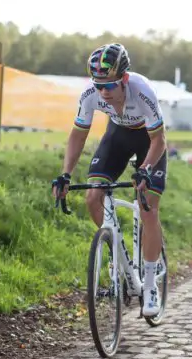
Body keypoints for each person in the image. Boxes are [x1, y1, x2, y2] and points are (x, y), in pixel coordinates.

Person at [51, 43, 167, 317]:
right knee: (93, 195)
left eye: (110, 86)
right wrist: (66, 173)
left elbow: (159, 140)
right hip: (118, 135)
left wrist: (146, 169)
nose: (104, 92)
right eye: (98, 85)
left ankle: (150, 284)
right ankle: (118, 254)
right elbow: (78, 135)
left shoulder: (143, 92)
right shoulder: (92, 94)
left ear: (124, 79)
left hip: (148, 142)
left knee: (148, 207)